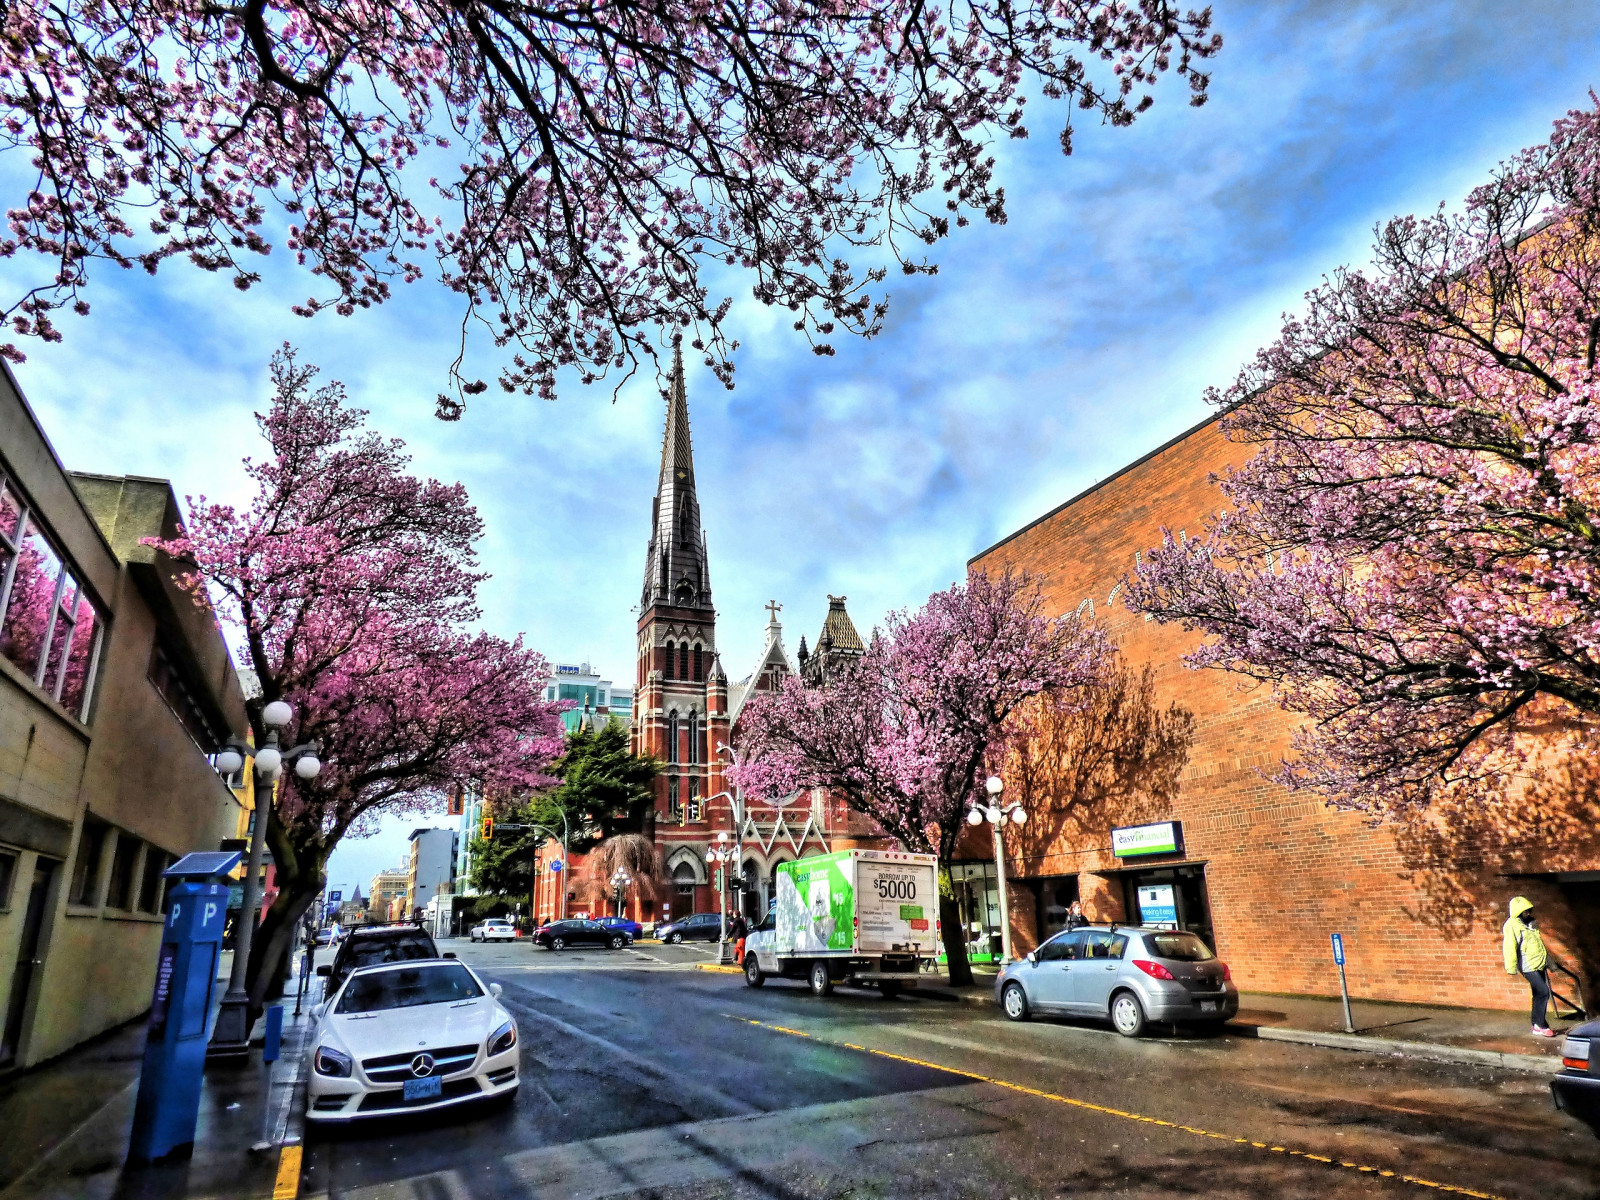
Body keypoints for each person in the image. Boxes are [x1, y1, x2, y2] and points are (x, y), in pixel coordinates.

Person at [1503, 896, 1555, 1037]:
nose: (1528, 913)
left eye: (1529, 911)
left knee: (1538, 994)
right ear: (1518, 911)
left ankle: (1535, 1025)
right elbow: (1509, 947)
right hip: (1527, 966)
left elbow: (1540, 946)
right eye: (1525, 911)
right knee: (1544, 992)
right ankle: (1541, 1024)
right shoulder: (1511, 925)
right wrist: (1511, 967)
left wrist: (1550, 963)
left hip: (1539, 963)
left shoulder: (1532, 924)